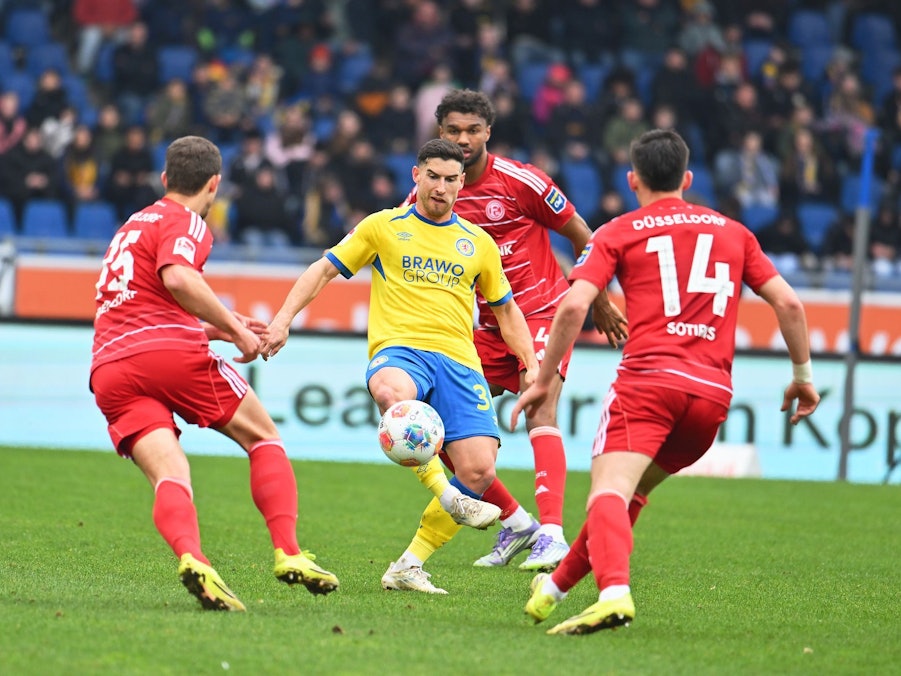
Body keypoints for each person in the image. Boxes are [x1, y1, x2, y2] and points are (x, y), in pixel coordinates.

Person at [514, 128, 820, 635]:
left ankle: (614, 594)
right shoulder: (734, 232)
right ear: (688, 178)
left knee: (606, 492)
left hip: (649, 382)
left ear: (633, 179)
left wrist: (544, 379)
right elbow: (788, 303)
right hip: (711, 398)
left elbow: (573, 305)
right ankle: (553, 590)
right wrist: (803, 376)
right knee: (625, 497)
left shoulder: (619, 230)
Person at [260, 139, 540, 593]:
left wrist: (531, 365)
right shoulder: (383, 227)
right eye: (433, 176)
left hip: (460, 363)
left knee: (479, 472)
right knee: (393, 395)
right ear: (416, 175)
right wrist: (282, 321)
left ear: (461, 183)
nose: (441, 187)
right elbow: (323, 270)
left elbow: (507, 311)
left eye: (451, 180)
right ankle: (447, 496)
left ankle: (408, 566)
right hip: (402, 350)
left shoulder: (478, 243)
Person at [89, 135, 339, 612]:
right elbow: (178, 277)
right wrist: (236, 328)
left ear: (165, 179)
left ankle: (193, 558)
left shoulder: (131, 225)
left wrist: (215, 330)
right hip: (169, 354)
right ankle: (288, 550)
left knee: (170, 472)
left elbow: (141, 308)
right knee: (263, 437)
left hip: (110, 365)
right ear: (214, 185)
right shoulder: (187, 220)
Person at [393, 89, 626, 582]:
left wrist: (598, 297)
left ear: (487, 133)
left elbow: (584, 234)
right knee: (437, 431)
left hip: (540, 313)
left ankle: (554, 533)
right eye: (453, 130)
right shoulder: (429, 193)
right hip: (478, 330)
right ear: (439, 134)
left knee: (540, 403)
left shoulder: (520, 182)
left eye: (473, 130)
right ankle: (519, 522)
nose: (463, 139)